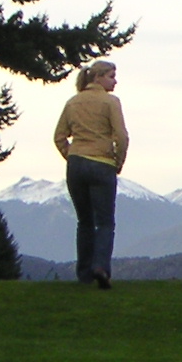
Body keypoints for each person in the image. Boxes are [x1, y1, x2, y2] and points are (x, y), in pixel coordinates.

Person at [54, 60, 128, 288]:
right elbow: (121, 136)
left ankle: (84, 273)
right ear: (98, 77)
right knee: (105, 222)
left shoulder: (73, 102)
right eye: (111, 76)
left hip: (76, 164)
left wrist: (71, 155)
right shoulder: (111, 102)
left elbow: (59, 136)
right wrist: (117, 161)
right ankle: (101, 267)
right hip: (102, 163)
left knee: (84, 221)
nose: (115, 81)